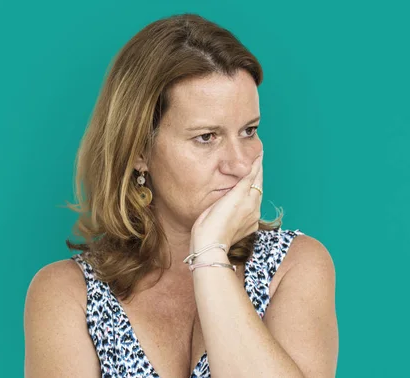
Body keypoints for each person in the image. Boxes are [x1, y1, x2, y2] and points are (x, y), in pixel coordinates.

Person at [24, 13, 338, 378]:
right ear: (139, 150)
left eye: (249, 131)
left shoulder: (294, 267)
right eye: (207, 137)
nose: (239, 164)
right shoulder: (68, 296)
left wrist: (209, 255)